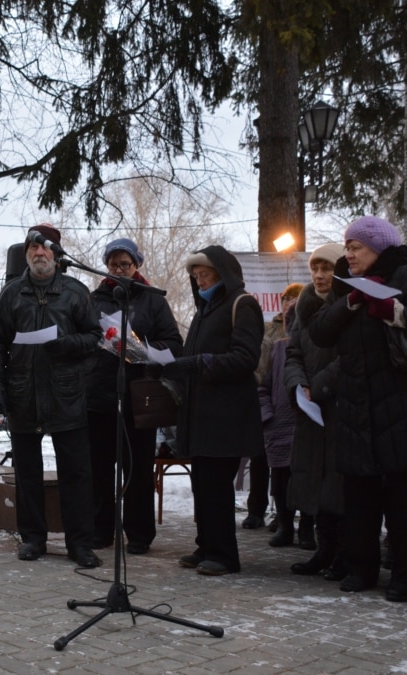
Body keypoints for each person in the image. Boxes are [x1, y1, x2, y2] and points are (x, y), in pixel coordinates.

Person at [306, 216, 407, 602]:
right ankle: (362, 569)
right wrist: (353, 302)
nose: (350, 254)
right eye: (348, 247)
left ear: (378, 248)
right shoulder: (347, 284)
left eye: (356, 247)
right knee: (359, 498)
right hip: (358, 410)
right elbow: (319, 330)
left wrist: (397, 312)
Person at [0, 223, 103, 568]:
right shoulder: (11, 294)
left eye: (45, 248)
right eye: (33, 248)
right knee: (28, 475)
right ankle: (33, 539)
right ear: (26, 254)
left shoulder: (75, 292)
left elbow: (95, 338)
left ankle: (80, 544)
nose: (39, 253)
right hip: (24, 395)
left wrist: (67, 345)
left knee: (76, 475)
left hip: (67, 396)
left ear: (56, 254)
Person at [162, 245, 264, 576]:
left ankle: (224, 555)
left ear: (222, 274)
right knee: (203, 484)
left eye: (204, 274)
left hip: (227, 416)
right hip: (201, 414)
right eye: (195, 276)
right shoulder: (203, 311)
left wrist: (200, 363)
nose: (199, 280)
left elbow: (246, 358)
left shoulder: (242, 305)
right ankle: (206, 544)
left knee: (218, 485)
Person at [86, 238, 182, 555]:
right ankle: (101, 529)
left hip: (139, 395)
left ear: (136, 265)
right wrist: (98, 343)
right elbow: (83, 337)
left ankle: (139, 533)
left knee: (138, 469)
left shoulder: (152, 300)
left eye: (124, 264)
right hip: (100, 394)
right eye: (113, 264)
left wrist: (143, 348)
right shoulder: (95, 298)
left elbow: (172, 341)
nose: (118, 269)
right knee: (100, 468)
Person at [284, 243, 347, 579]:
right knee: (316, 484)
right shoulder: (304, 308)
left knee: (339, 485)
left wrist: (319, 384)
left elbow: (349, 356)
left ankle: (344, 554)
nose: (320, 276)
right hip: (310, 411)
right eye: (315, 269)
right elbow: (292, 353)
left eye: (328, 269)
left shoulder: (349, 304)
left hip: (339, 408)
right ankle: (324, 550)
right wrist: (297, 384)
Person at [257, 290, 302, 548]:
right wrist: (267, 415)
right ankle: (285, 525)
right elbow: (263, 385)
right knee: (281, 479)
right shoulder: (276, 348)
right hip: (279, 426)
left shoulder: (314, 346)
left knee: (305, 478)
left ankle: (306, 527)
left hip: (305, 425)